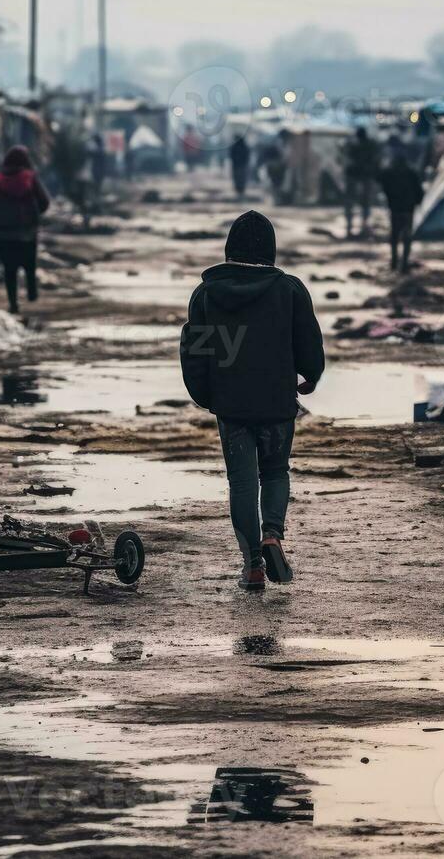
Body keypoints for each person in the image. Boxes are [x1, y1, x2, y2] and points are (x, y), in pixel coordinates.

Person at [180, 211, 326, 592]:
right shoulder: (290, 290)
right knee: (275, 471)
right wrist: (310, 377)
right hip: (277, 400)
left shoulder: (207, 295)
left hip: (232, 406)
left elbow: (195, 352)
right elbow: (309, 342)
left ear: (230, 249)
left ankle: (253, 566)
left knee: (242, 481)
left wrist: (206, 395)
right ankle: (273, 534)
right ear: (270, 250)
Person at [0, 145, 51, 314]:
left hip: (4, 233)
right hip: (27, 232)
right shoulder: (29, 178)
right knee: (29, 263)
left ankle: (13, 302)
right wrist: (35, 216)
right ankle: (31, 292)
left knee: (9, 269)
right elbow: (44, 201)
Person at [379, 152, 424, 274]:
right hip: (408, 209)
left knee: (394, 235)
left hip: (395, 209)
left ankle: (394, 261)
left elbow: (382, 183)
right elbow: (419, 191)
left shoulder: (389, 174)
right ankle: (404, 263)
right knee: (407, 236)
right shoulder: (411, 173)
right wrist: (417, 202)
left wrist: (390, 200)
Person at [342, 127, 379, 238]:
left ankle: (353, 229)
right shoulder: (368, 146)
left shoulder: (355, 147)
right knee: (364, 204)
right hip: (362, 176)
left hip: (358, 176)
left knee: (353, 204)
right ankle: (361, 229)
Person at [229, 135, 252, 201]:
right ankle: (240, 191)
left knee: (238, 178)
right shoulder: (244, 146)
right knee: (241, 178)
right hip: (242, 165)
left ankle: (239, 190)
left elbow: (231, 156)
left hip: (237, 165)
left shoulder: (234, 146)